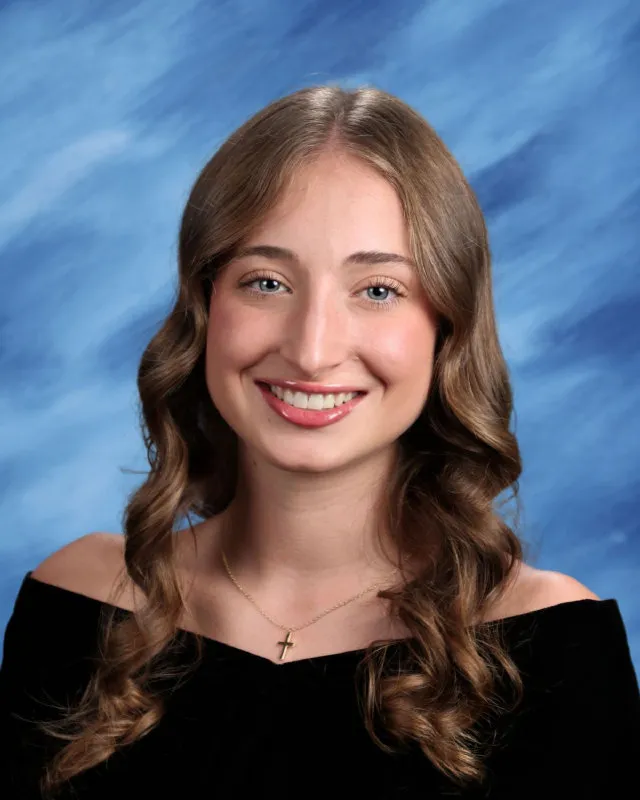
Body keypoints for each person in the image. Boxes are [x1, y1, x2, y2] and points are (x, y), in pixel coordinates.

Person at [0, 85, 638, 800]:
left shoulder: (554, 648)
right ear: (204, 307)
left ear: (446, 329)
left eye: (377, 290)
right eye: (267, 282)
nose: (312, 350)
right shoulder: (76, 606)